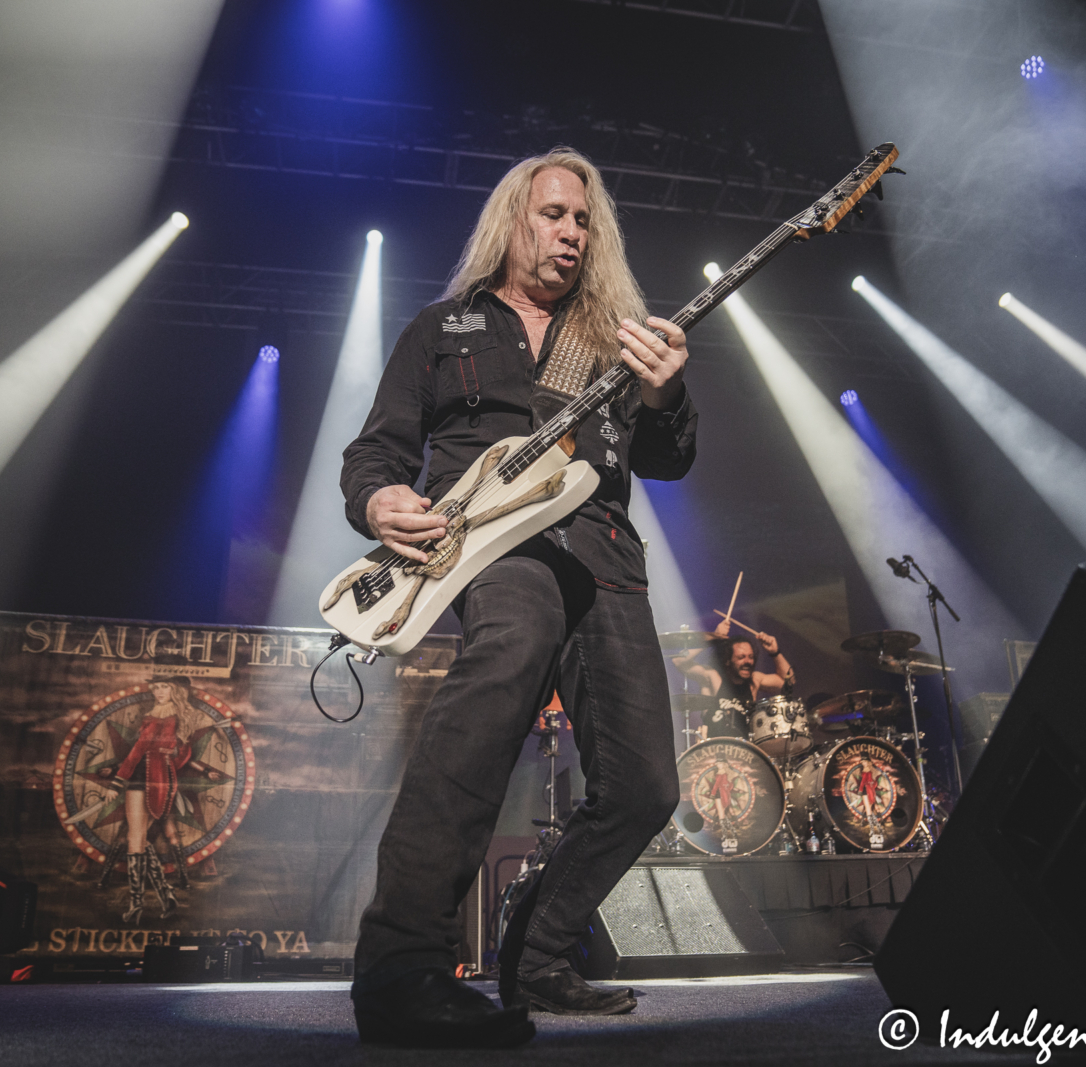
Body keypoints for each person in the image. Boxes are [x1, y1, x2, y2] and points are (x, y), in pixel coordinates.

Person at [339, 147, 697, 1048]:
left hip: (604, 554)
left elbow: (668, 458)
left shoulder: (615, 337)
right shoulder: (442, 326)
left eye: (584, 219)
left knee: (647, 784)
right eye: (553, 213)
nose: (570, 231)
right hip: (492, 548)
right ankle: (402, 962)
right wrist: (381, 499)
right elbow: (375, 453)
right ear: (514, 220)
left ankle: (534, 955)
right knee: (506, 655)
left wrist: (667, 396)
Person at [106, 676, 197, 924]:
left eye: (165, 686)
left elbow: (139, 749)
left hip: (143, 776)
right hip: (162, 777)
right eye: (156, 687)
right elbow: (182, 755)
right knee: (140, 838)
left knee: (135, 840)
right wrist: (167, 757)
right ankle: (166, 896)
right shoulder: (171, 715)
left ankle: (137, 905)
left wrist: (117, 781)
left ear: (175, 689)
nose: (159, 691)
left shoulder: (162, 717)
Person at [675, 620, 796, 739]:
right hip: (713, 751)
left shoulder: (754, 680)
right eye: (741, 657)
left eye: (751, 657)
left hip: (744, 753)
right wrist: (713, 637)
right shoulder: (712, 677)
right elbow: (679, 661)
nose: (748, 662)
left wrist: (775, 652)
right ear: (728, 660)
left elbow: (788, 682)